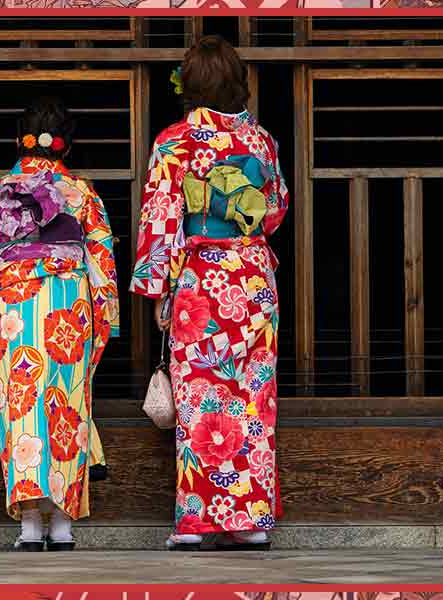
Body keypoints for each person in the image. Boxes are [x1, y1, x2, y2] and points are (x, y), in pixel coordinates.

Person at [130, 35, 289, 551]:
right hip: (252, 276)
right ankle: (249, 520)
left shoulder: (174, 142)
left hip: (201, 278)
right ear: (238, 82)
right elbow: (276, 209)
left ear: (189, 85)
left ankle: (198, 520)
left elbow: (160, 217)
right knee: (252, 397)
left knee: (201, 396)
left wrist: (157, 287)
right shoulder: (261, 141)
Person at [0, 97, 120, 551]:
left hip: (16, 303)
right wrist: (101, 319)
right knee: (67, 404)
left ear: (20, 141)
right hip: (70, 303)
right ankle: (64, 524)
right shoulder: (83, 194)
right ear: (65, 147)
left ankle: (30, 525)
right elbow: (104, 261)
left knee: (21, 405)